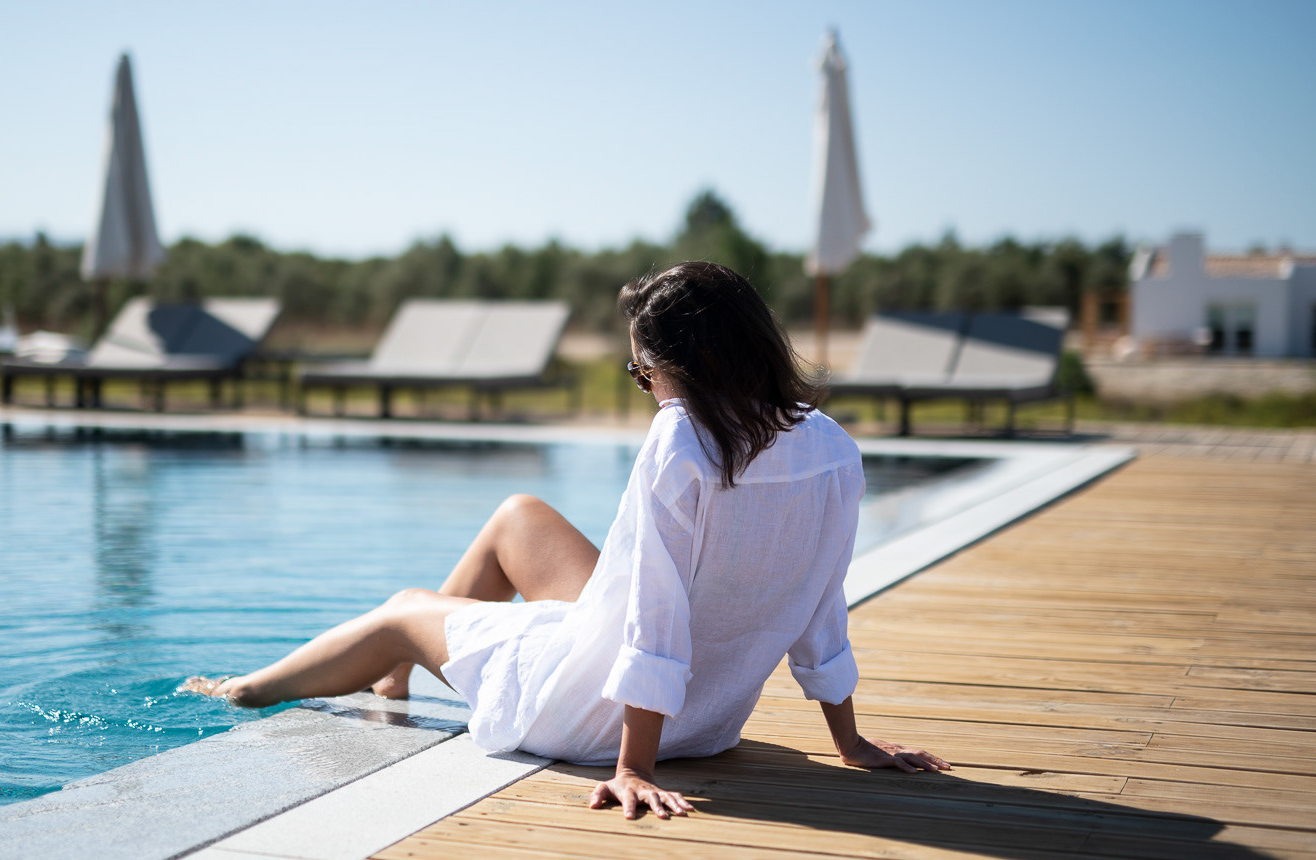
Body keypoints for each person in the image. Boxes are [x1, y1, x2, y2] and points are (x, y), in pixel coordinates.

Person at [184, 261, 949, 819]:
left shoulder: (680, 436)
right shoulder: (832, 446)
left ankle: (249, 685)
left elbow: (656, 612)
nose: (642, 384)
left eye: (640, 370)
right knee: (519, 515)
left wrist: (633, 765)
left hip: (595, 715)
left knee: (402, 609)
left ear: (682, 367)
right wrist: (850, 743)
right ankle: (397, 677)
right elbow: (822, 604)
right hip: (712, 719)